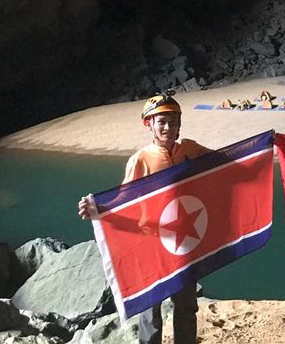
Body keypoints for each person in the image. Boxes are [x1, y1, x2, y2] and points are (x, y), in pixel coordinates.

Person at [78, 91, 211, 344]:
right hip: (152, 244)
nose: (169, 127)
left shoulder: (190, 149)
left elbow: (224, 162)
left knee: (186, 306)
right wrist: (97, 209)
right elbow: (124, 200)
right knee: (151, 312)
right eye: (162, 122)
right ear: (148, 124)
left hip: (184, 242)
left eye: (174, 121)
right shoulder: (140, 160)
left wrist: (260, 147)